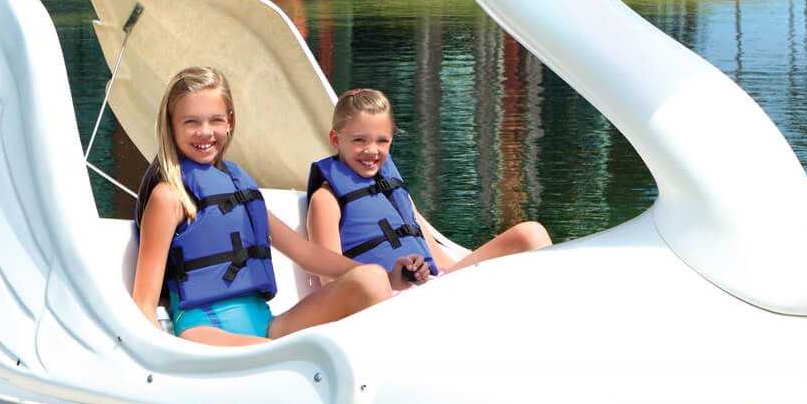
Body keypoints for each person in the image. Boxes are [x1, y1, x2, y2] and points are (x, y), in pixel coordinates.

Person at [131, 66, 394, 346]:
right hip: (206, 330)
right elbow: (143, 303)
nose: (204, 132)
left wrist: (391, 279)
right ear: (171, 124)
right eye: (191, 122)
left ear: (230, 120)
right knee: (300, 354)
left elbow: (305, 254)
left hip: (265, 324)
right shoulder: (169, 196)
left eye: (215, 120)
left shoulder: (237, 185)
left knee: (371, 279)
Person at [306, 88, 551, 288]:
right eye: (359, 140)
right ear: (336, 139)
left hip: (435, 286)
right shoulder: (325, 200)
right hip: (386, 303)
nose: (372, 150)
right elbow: (330, 281)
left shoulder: (392, 190)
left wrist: (444, 275)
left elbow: (434, 254)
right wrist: (393, 280)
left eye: (382, 140)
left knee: (531, 234)